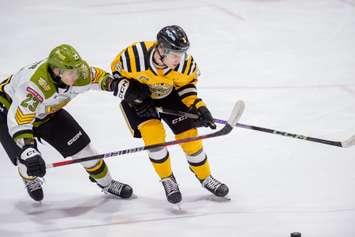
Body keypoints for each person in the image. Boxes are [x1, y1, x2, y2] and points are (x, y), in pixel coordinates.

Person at [109, 25, 229, 204]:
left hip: (169, 96)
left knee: (190, 138)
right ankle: (167, 179)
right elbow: (115, 76)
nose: (179, 59)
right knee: (154, 139)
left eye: (182, 54)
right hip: (139, 101)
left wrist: (198, 107)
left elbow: (186, 86)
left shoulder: (184, 64)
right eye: (175, 54)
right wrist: (132, 94)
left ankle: (205, 177)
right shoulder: (133, 56)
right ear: (162, 49)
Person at [0, 44, 133, 202]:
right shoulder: (35, 84)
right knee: (28, 161)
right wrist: (29, 148)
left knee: (87, 153)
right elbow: (21, 119)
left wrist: (116, 85)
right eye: (71, 72)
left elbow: (98, 77)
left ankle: (107, 184)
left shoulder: (78, 72)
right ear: (57, 71)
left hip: (47, 112)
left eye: (76, 70)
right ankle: (30, 178)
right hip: (9, 110)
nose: (76, 76)